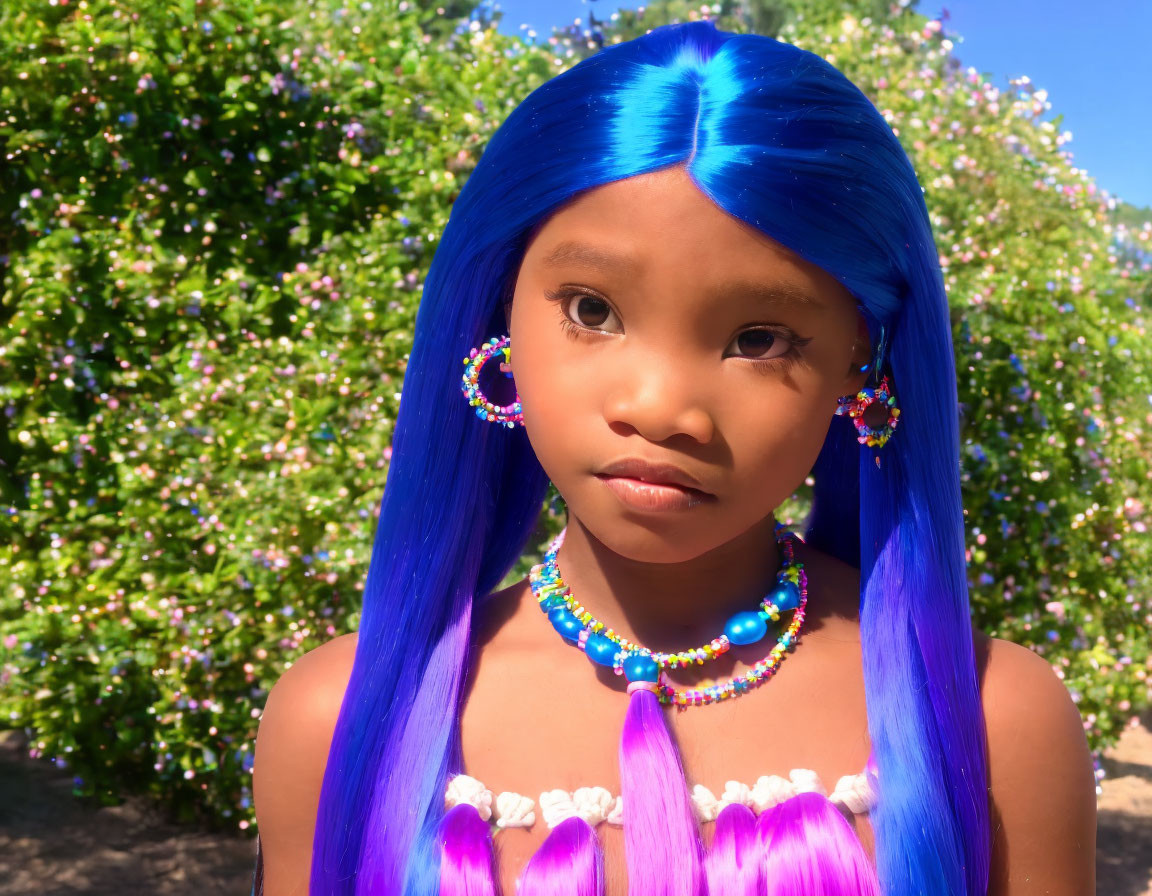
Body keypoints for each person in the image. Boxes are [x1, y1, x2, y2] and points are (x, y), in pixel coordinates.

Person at [250, 19, 1096, 896]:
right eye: (590, 311)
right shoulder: (339, 723)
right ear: (497, 316)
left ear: (862, 361)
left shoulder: (995, 726)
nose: (660, 408)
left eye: (760, 337)